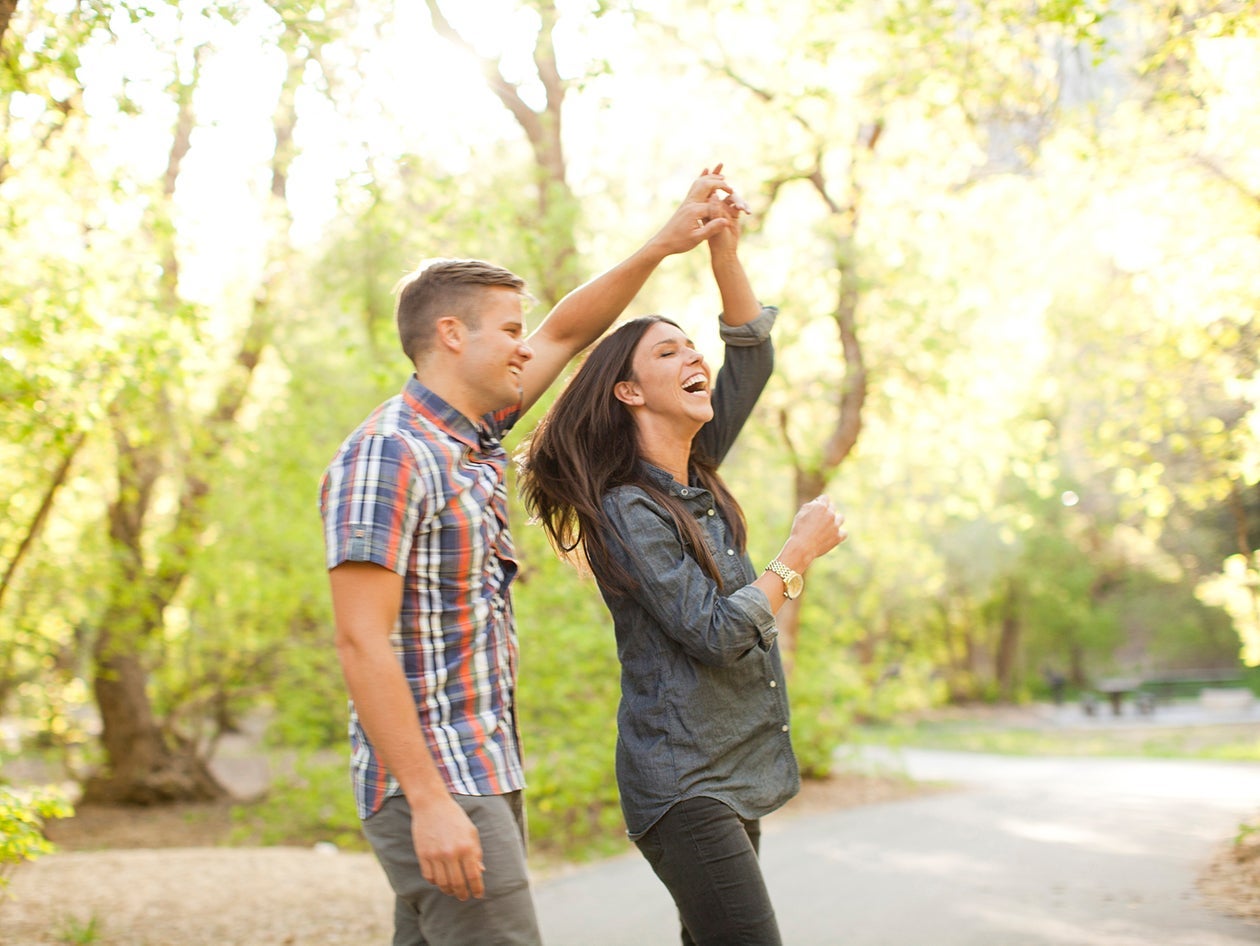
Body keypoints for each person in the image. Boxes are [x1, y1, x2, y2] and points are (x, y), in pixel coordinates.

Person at [318, 169, 743, 946]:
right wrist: (432, 800)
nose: (526, 343)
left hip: (482, 768)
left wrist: (665, 242)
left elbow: (570, 331)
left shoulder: (471, 438)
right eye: (509, 329)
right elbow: (358, 641)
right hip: (441, 779)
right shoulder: (391, 455)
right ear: (453, 334)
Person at [518, 170, 848, 946]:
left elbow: (750, 358)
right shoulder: (630, 507)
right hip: (684, 786)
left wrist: (723, 252)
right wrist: (794, 559)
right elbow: (711, 631)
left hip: (729, 773)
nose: (692, 356)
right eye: (668, 352)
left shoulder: (690, 473)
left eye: (689, 345)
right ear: (630, 394)